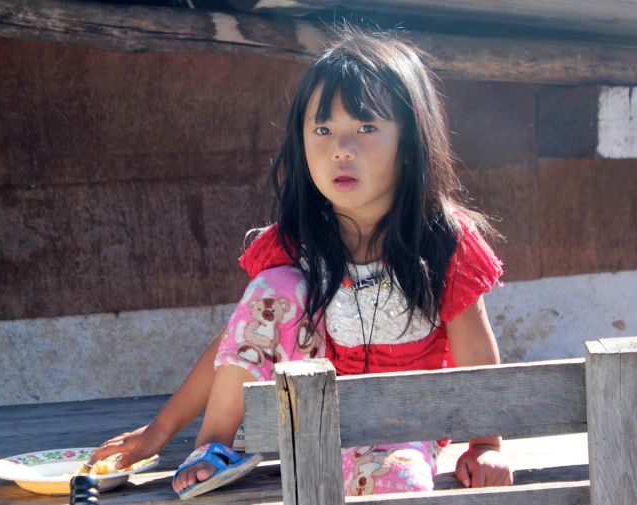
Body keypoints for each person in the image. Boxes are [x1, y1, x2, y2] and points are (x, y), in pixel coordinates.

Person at [90, 26, 514, 498]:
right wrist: (159, 431)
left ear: (412, 141)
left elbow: (476, 354)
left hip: (398, 425)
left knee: (404, 481)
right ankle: (216, 446)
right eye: (323, 129)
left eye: (367, 127)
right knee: (277, 287)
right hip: (307, 415)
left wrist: (484, 444)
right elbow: (243, 340)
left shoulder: (443, 241)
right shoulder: (296, 241)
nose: (341, 148)